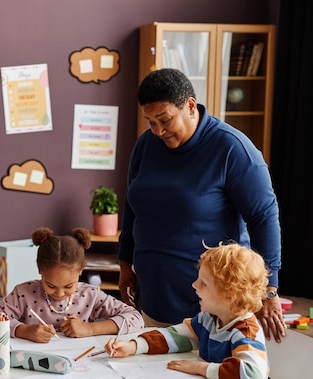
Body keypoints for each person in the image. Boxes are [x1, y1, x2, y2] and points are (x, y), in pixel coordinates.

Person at [118, 68, 284, 341]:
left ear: (190, 106)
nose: (158, 131)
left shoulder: (233, 149)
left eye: (165, 119)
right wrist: (125, 266)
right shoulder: (145, 146)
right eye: (151, 122)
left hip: (215, 309)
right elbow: (132, 206)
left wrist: (269, 289)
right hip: (153, 300)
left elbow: (263, 218)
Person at [106, 242, 281, 379]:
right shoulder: (210, 318)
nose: (194, 285)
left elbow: (250, 375)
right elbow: (175, 336)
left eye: (203, 283)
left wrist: (199, 368)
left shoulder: (246, 332)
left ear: (229, 295)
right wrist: (134, 346)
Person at [0, 227, 143, 343]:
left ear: (80, 270)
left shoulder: (90, 295)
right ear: (40, 270)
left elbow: (136, 318)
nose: (59, 293)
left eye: (68, 286)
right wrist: (23, 330)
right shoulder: (23, 293)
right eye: (50, 285)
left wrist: (90, 329)